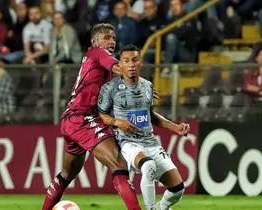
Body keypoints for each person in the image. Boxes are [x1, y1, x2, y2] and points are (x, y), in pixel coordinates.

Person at [41, 23, 142, 210]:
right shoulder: (98, 52)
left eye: (113, 38)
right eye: (106, 37)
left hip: (72, 119)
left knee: (66, 174)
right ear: (94, 41)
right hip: (83, 118)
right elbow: (118, 68)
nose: (111, 41)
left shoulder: (93, 59)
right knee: (118, 163)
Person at [97, 45, 190, 210]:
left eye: (135, 60)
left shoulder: (147, 86)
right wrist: (117, 122)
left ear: (141, 62)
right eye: (126, 61)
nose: (131, 64)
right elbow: (100, 115)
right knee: (148, 165)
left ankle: (160, 208)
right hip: (127, 143)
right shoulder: (110, 88)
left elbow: (151, 115)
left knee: (177, 189)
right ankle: (149, 208)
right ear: (121, 64)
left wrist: (175, 127)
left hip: (151, 142)